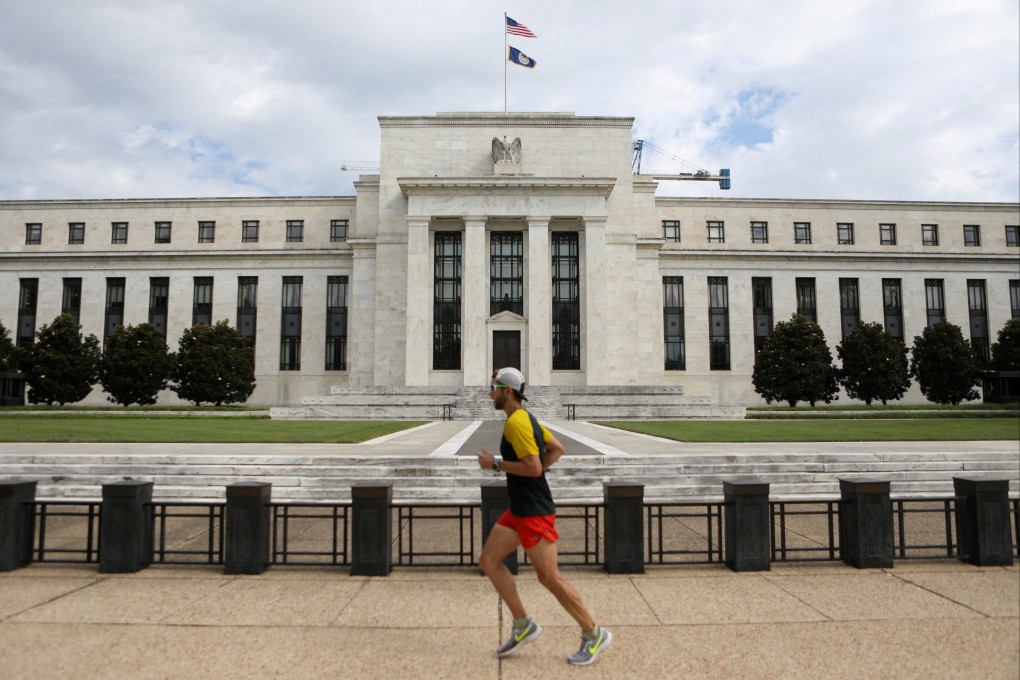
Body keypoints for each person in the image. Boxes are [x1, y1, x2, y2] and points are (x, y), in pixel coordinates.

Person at [477, 367, 612, 666]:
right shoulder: (526, 418)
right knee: (488, 561)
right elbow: (556, 448)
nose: (489, 394)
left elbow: (535, 466)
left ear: (507, 391)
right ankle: (523, 624)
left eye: (493, 389)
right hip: (520, 509)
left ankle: (593, 632)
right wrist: (530, 476)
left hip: (534, 512)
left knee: (550, 578)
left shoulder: (517, 423)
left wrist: (497, 465)